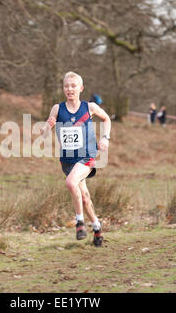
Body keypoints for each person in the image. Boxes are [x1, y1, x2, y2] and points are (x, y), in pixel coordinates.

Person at [40, 71, 111, 247]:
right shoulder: (57, 108)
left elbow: (107, 119)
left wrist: (105, 138)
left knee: (71, 183)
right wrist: (46, 127)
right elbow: (43, 132)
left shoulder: (90, 107)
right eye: (66, 86)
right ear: (63, 88)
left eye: (73, 86)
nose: (69, 89)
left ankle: (79, 223)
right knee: (84, 197)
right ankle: (97, 227)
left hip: (87, 156)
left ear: (81, 88)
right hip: (67, 160)